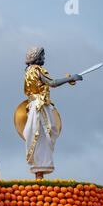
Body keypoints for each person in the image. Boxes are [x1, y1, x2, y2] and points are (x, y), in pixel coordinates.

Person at [23, 47, 82, 179]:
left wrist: (68, 79)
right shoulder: (37, 70)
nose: (44, 59)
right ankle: (40, 168)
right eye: (42, 56)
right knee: (45, 133)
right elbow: (52, 83)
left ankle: (39, 169)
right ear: (36, 57)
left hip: (34, 106)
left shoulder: (28, 71)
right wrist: (71, 78)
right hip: (41, 107)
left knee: (40, 135)